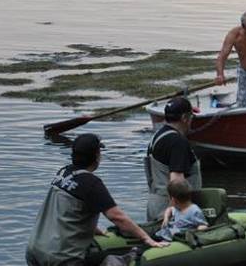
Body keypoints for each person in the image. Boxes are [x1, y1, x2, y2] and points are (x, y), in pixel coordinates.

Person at [26, 133, 165, 266]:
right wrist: (147, 239)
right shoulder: (90, 183)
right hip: (61, 257)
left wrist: (95, 230)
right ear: (96, 156)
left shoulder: (63, 173)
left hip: (35, 250)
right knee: (116, 259)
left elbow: (67, 212)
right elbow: (117, 217)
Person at [145, 97, 202, 221]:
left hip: (154, 205)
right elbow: (177, 182)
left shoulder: (157, 136)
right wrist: (172, 213)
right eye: (191, 117)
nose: (191, 121)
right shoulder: (178, 142)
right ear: (184, 118)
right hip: (171, 211)